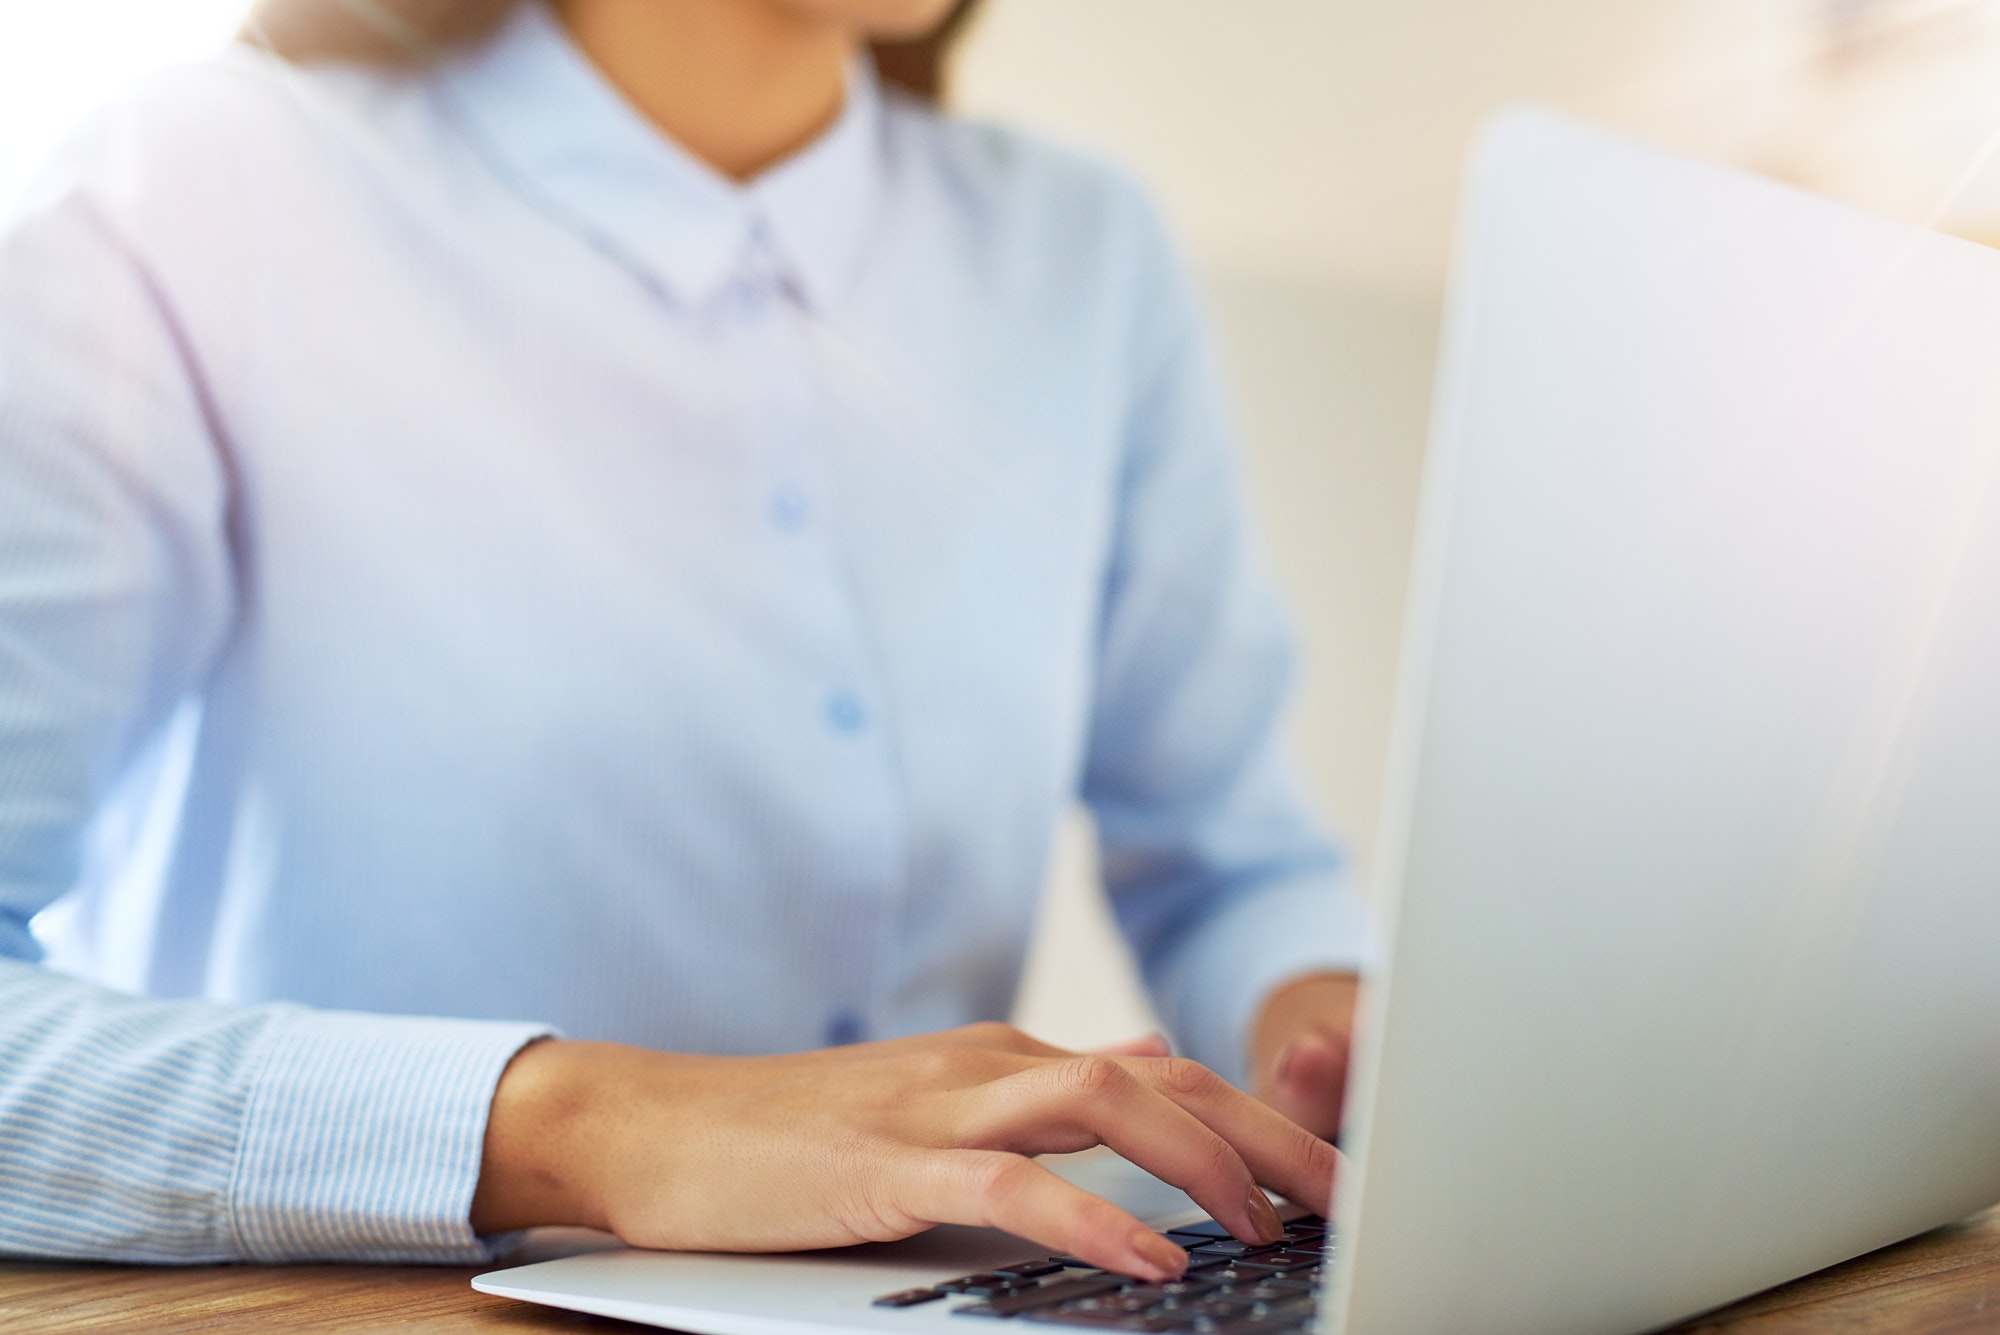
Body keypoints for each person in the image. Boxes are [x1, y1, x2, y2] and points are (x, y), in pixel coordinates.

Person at [0, 0, 1371, 1277]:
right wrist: (585, 1127)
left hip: (953, 1291)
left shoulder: (1083, 251)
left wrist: (1336, 1028)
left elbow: (1228, 860)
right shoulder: (186, 195)